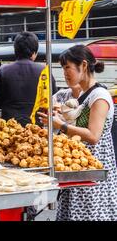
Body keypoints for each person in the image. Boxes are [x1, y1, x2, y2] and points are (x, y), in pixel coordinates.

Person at [38, 45, 117, 221]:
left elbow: (93, 135)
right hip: (76, 170)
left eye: (68, 67)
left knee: (89, 215)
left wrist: (61, 125)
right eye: (63, 68)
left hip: (93, 173)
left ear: (83, 65)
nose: (65, 73)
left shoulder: (100, 96)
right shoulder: (74, 94)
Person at [0, 32, 57, 125]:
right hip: (36, 126)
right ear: (34, 53)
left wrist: (7, 105)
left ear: (15, 50)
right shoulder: (44, 72)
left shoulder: (3, 71)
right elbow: (53, 97)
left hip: (9, 124)